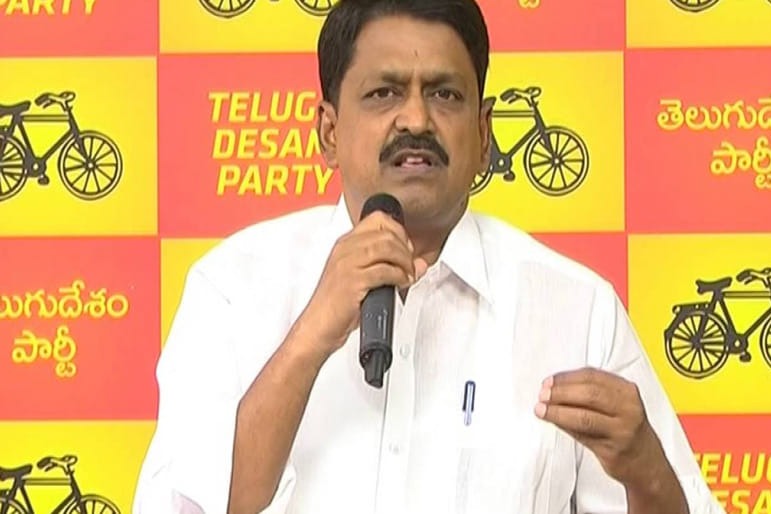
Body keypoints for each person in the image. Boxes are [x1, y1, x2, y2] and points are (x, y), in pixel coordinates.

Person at [133, 1, 725, 513]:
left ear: (484, 133)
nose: (416, 119)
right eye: (384, 93)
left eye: (444, 94)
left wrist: (646, 471)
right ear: (329, 132)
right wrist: (310, 337)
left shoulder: (577, 309)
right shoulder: (233, 289)